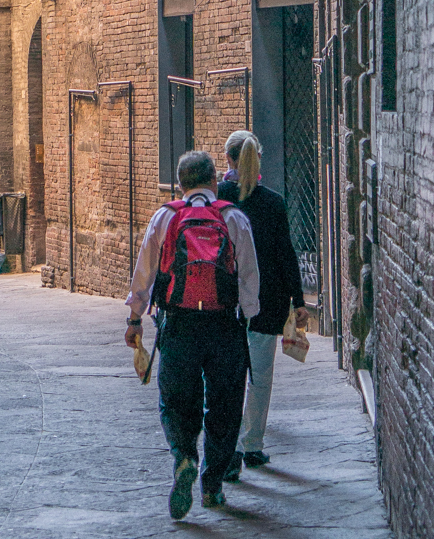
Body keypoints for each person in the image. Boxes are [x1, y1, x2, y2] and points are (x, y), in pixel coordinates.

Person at [125, 150, 260, 518]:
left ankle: (184, 456)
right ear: (215, 180)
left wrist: (135, 319)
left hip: (179, 322)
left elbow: (145, 272)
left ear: (180, 183)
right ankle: (212, 483)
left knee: (175, 400)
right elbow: (249, 276)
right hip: (223, 324)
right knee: (226, 404)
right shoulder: (233, 218)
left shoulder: (166, 217)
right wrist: (248, 318)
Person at [218, 130, 309, 480]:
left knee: (227, 379)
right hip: (268, 302)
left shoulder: (218, 198)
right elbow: (286, 255)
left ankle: (228, 451)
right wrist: (299, 301)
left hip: (225, 302)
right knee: (260, 377)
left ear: (227, 159)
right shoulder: (273, 201)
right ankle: (251, 445)